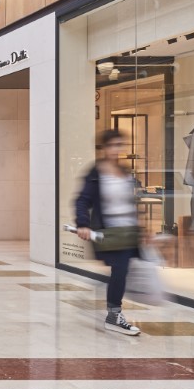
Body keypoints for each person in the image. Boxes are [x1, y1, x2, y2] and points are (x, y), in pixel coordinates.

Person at [75, 128, 142, 336]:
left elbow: (130, 202)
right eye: (111, 145)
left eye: (119, 145)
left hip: (128, 231)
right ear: (104, 148)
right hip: (109, 233)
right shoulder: (96, 172)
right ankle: (114, 315)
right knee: (120, 269)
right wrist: (83, 223)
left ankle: (107, 298)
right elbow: (83, 200)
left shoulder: (124, 171)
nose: (115, 149)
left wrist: (142, 228)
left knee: (122, 271)